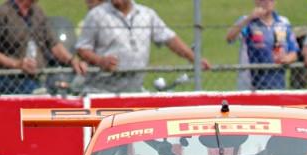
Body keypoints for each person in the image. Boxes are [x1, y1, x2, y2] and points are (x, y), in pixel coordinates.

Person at [77, 0, 209, 93]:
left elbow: (169, 38)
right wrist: (100, 61)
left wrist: (195, 59)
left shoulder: (147, 15)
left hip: (134, 90)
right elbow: (82, 49)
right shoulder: (96, 15)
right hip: (101, 91)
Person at [0, 0, 86, 94]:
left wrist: (72, 60)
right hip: (11, 79)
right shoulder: (2, 14)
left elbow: (53, 44)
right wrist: (18, 64)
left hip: (37, 77)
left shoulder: (38, 12)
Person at [225, 0, 299, 90]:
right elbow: (230, 38)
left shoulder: (283, 22)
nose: (268, 2)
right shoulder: (248, 22)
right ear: (256, 2)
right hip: (251, 87)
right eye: (263, 0)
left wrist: (286, 59)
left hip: (278, 85)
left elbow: (294, 52)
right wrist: (249, 18)